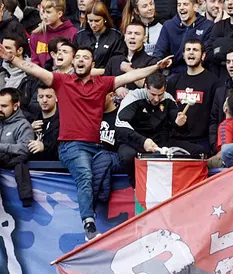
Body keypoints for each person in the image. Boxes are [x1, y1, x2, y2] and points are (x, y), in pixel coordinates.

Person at [0, 41, 171, 239]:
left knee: (123, 160)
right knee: (85, 175)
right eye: (78, 57)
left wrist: (157, 67)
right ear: (73, 61)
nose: (81, 60)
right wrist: (13, 59)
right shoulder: (62, 81)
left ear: (92, 63)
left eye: (85, 57)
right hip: (71, 146)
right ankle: (89, 226)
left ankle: (145, 215)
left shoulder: (103, 84)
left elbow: (132, 75)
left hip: (97, 148)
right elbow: (34, 69)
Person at [115, 72, 207, 183]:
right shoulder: (133, 97)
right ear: (145, 87)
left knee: (199, 151)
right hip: (135, 141)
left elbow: (178, 124)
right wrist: (142, 141)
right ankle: (136, 186)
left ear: (165, 89)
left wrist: (180, 123)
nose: (157, 99)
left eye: (160, 94)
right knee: (127, 156)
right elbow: (120, 125)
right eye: (153, 94)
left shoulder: (168, 98)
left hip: (161, 143)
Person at [155, 0, 213, 73]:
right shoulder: (168, 25)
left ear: (195, 7)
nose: (181, 8)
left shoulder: (207, 25)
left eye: (185, 4)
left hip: (200, 72)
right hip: (174, 73)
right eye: (179, 5)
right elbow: (159, 52)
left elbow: (207, 55)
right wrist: (164, 61)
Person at [105, 21, 159, 96]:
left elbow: (151, 88)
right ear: (125, 37)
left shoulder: (152, 62)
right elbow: (103, 84)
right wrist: (116, 88)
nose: (132, 37)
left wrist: (129, 70)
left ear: (144, 39)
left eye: (137, 34)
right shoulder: (114, 60)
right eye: (129, 33)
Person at [73, 1, 127, 69]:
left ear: (104, 19)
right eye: (90, 20)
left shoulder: (116, 37)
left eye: (97, 21)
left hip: (107, 77)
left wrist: (101, 71)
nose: (93, 24)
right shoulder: (80, 36)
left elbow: (117, 63)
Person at [30, 0, 78, 66]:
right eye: (43, 12)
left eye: (48, 12)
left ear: (59, 14)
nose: (44, 16)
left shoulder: (73, 33)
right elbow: (35, 61)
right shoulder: (35, 35)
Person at [28, 84, 59, 160]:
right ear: (37, 98)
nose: (44, 100)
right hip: (34, 167)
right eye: (41, 97)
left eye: (49, 96)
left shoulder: (64, 120)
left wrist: (44, 147)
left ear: (56, 98)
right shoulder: (32, 121)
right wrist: (29, 130)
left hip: (57, 168)